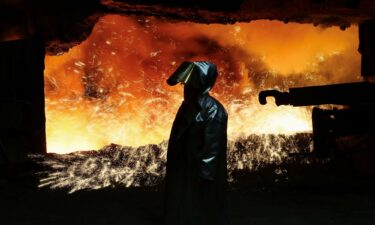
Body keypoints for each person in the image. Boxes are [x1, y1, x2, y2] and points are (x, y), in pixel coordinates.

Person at [163, 61, 231, 225]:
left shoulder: (214, 111)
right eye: (185, 85)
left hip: (199, 173)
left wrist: (204, 175)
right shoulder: (187, 107)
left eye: (191, 85)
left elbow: (212, 150)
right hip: (185, 168)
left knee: (202, 212)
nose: (186, 88)